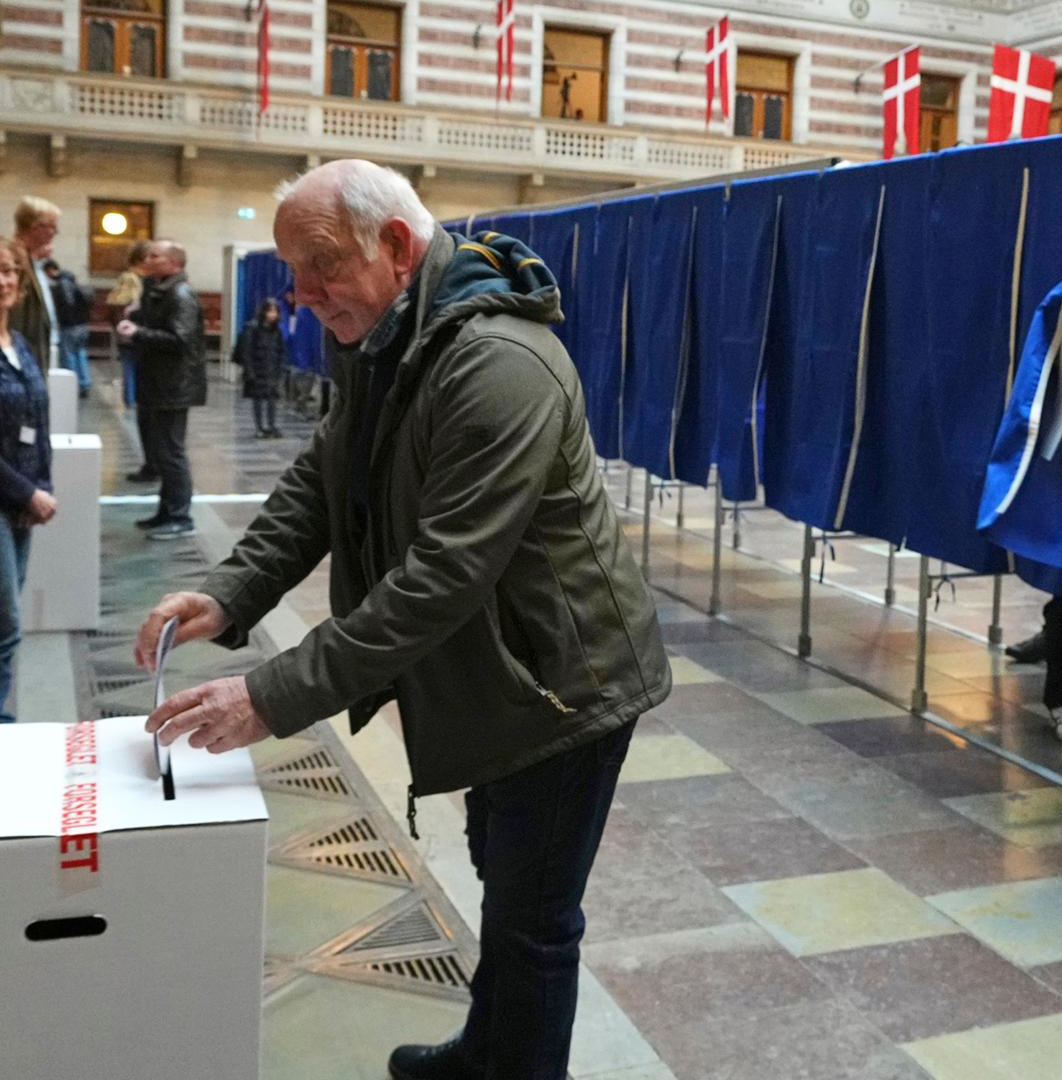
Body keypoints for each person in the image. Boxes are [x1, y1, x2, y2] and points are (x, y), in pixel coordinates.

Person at [134, 160, 670, 1080]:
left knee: (535, 923)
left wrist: (270, 695)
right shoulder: (388, 335)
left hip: (560, 684)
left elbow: (441, 578)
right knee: (502, 882)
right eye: (292, 271)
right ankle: (488, 1050)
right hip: (497, 673)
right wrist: (233, 591)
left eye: (318, 267)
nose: (300, 296)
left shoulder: (500, 362)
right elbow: (325, 476)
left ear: (395, 245)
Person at [0, 237, 56, 722]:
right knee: (6, 625)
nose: (2, 281)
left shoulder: (18, 343)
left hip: (18, 498)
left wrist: (45, 484)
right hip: (8, 496)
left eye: (8, 271)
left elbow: (38, 423)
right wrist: (29, 492)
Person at [117, 240, 206, 540]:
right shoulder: (158, 289)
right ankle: (166, 512)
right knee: (161, 452)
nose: (148, 259)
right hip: (159, 382)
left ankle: (181, 516)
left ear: (173, 264)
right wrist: (137, 318)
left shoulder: (181, 294)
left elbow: (180, 339)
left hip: (173, 386)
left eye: (156, 255)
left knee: (171, 452)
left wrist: (138, 333)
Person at [10, 196, 61, 375]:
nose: (55, 233)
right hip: (22, 363)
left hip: (33, 358)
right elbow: (13, 320)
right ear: (36, 226)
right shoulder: (14, 263)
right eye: (53, 227)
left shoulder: (30, 260)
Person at [232, 296, 287, 438]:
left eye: (275, 311)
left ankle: (271, 426)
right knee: (258, 400)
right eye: (270, 311)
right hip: (257, 370)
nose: (273, 314)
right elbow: (247, 352)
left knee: (271, 399)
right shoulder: (253, 328)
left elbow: (281, 351)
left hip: (271, 370)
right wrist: (249, 372)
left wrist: (280, 370)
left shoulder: (277, 331)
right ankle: (259, 427)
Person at [106, 240, 150, 411]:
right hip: (132, 330)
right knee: (132, 365)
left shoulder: (134, 278)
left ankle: (132, 398)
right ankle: (132, 399)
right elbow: (125, 302)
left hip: (129, 331)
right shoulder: (132, 279)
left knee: (131, 364)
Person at [43, 259, 93, 398]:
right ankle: (84, 383)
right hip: (83, 324)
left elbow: (67, 304)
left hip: (70, 325)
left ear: (50, 270)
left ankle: (73, 385)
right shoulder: (73, 280)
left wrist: (62, 320)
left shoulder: (62, 284)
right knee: (81, 353)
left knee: (69, 355)